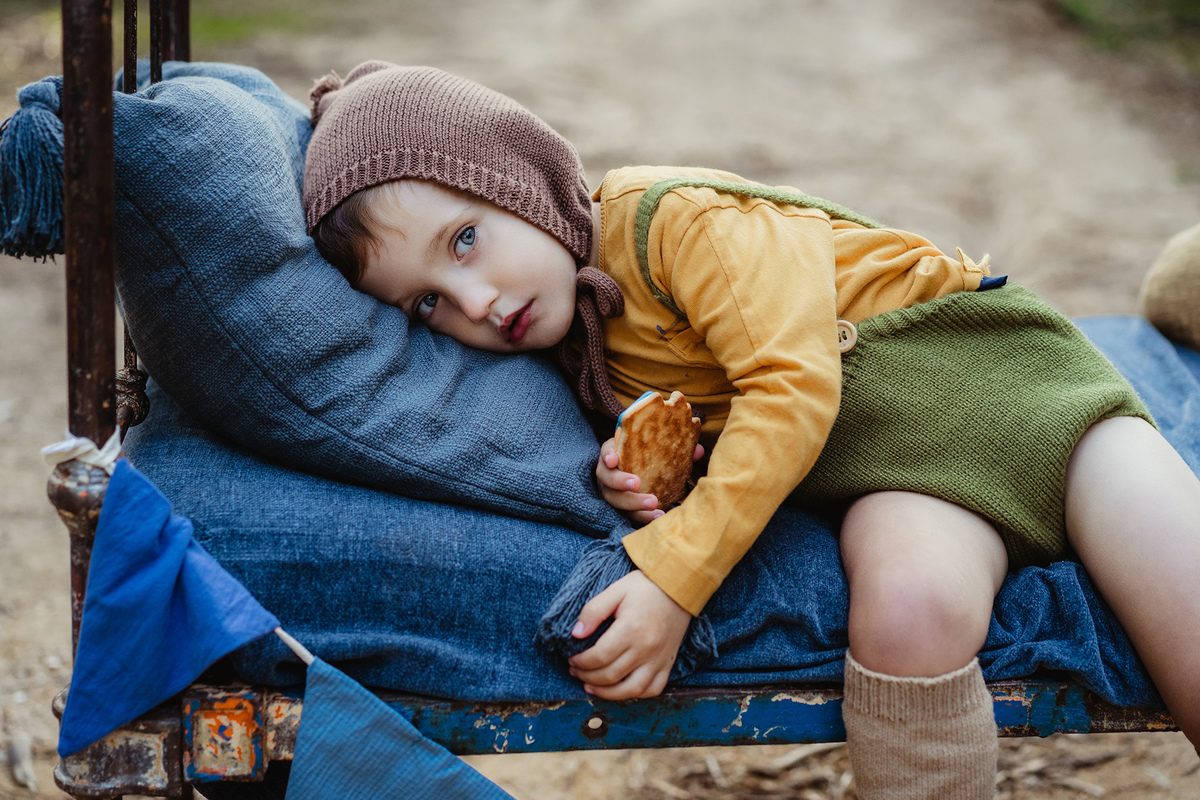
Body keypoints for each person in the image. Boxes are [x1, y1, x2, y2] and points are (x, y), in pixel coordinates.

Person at [301, 61, 1200, 797]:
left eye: (466, 240)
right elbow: (726, 425)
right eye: (426, 304)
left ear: (521, 181)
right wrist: (659, 473)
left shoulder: (673, 221)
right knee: (910, 612)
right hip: (898, 472)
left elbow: (791, 388)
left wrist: (677, 575)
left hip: (1019, 393)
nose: (474, 301)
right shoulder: (571, 346)